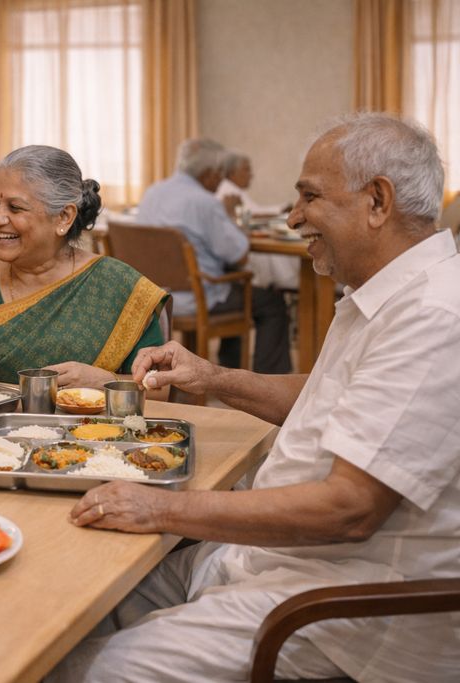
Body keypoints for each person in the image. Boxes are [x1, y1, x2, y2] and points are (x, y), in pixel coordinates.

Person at [48, 113, 460, 682]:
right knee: (81, 600)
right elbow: (327, 397)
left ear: (377, 201)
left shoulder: (434, 317)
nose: (293, 217)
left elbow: (350, 508)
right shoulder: (389, 291)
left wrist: (158, 507)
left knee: (97, 670)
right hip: (279, 561)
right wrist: (211, 378)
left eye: (309, 197)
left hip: (345, 604)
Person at [0, 145, 168, 387]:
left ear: (63, 217)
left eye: (15, 208)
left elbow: (160, 388)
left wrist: (105, 382)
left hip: (87, 426)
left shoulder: (117, 284)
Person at [136, 138, 291, 374]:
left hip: (156, 295)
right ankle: (267, 379)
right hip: (196, 298)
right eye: (220, 173)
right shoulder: (205, 202)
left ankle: (227, 372)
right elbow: (238, 254)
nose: (221, 180)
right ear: (208, 174)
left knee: (238, 288)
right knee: (271, 302)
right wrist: (228, 214)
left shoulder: (152, 193)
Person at [217, 151, 299, 290]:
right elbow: (251, 215)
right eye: (246, 169)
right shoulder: (228, 191)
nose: (251, 174)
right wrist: (280, 210)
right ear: (231, 173)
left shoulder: (234, 189)